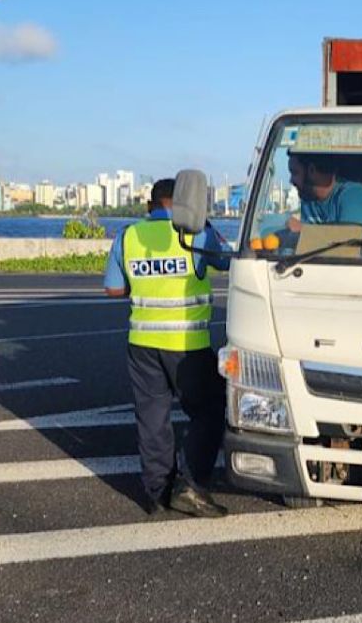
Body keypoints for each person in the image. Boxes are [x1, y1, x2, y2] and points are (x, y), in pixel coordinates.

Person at [104, 178, 231, 518]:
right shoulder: (197, 233)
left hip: (142, 343)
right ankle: (190, 486)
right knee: (209, 410)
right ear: (184, 202)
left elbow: (113, 290)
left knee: (152, 419)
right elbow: (229, 260)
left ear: (151, 204)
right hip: (187, 344)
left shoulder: (128, 235)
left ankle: (157, 493)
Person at [286, 153, 362, 232]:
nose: (291, 180)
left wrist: (303, 230)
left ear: (312, 170)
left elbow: (346, 243)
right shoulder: (309, 201)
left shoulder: (355, 195)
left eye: (295, 173)